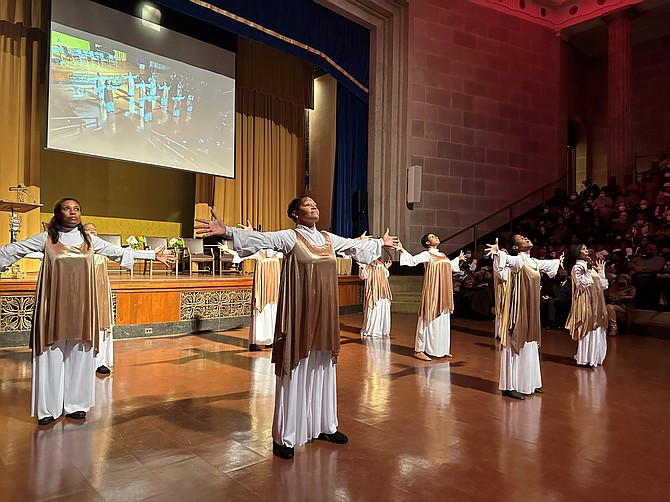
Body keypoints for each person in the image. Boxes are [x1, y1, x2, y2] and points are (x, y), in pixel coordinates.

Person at [195, 196, 399, 460]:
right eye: (307, 204)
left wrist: (379, 242)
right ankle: (285, 435)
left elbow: (352, 246)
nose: (314, 206)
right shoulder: (290, 237)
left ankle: (325, 425)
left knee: (323, 367)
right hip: (300, 313)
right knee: (296, 368)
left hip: (324, 313)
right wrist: (229, 231)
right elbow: (263, 240)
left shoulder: (328, 239)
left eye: (316, 203)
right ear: (295, 213)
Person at [0, 198, 173, 425]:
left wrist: (152, 256)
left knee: (80, 355)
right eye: (67, 208)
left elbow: (117, 252)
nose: (72, 212)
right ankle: (48, 409)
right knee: (50, 355)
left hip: (82, 308)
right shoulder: (47, 238)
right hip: (53, 307)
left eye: (77, 209)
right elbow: (14, 249)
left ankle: (76, 405)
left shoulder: (90, 240)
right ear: (58, 213)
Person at [485, 236, 563, 400]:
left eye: (526, 237)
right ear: (515, 247)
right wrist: (498, 253)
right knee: (516, 341)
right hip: (518, 309)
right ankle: (510, 386)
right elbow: (508, 261)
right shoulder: (518, 261)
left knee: (530, 342)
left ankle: (530, 381)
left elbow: (551, 265)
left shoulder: (534, 262)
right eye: (521, 238)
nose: (526, 238)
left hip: (531, 309)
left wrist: (561, 260)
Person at [397, 233, 463, 361]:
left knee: (442, 317)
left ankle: (442, 348)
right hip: (433, 289)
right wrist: (402, 249)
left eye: (436, 236)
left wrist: (458, 259)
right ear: (427, 243)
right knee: (428, 316)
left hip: (443, 290)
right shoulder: (427, 254)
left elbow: (450, 266)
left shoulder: (442, 255)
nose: (436, 237)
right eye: (432, 236)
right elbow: (411, 261)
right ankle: (419, 349)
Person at [565, 244, 609, 368]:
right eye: (583, 249)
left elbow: (603, 285)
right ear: (577, 253)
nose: (586, 250)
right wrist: (589, 270)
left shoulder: (591, 265)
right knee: (589, 327)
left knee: (598, 326)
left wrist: (601, 271)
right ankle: (585, 358)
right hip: (586, 301)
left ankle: (596, 357)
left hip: (597, 301)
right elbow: (581, 284)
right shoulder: (577, 267)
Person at [82, 223, 114, 374]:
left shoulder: (103, 248)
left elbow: (121, 253)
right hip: (83, 293)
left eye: (94, 229)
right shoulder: (77, 250)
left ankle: (100, 361)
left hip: (101, 292)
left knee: (101, 324)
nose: (92, 231)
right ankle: (83, 362)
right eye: (88, 229)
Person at [358, 258, 393, 337]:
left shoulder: (380, 262)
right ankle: (373, 330)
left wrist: (386, 267)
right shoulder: (367, 262)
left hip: (383, 290)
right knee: (374, 308)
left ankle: (382, 329)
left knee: (383, 307)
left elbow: (386, 274)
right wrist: (362, 268)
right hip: (373, 290)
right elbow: (363, 276)